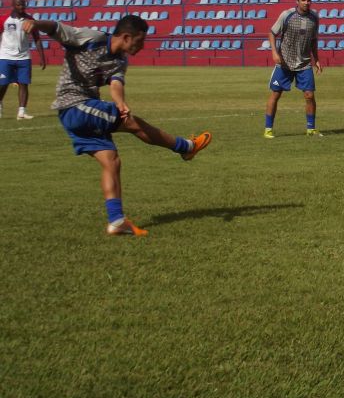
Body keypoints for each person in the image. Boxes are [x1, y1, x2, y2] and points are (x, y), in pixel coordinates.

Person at [23, 14, 211, 237]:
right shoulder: (89, 38)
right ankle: (186, 148)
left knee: (111, 161)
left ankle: (116, 221)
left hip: (84, 110)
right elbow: (56, 27)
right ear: (126, 36)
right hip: (73, 105)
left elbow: (115, 84)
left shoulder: (120, 61)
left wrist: (121, 102)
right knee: (131, 123)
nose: (141, 47)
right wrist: (36, 24)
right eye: (139, 42)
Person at [264, 0, 323, 138]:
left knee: (309, 95)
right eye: (303, 0)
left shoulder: (315, 17)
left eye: (309, 0)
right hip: (285, 62)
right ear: (297, 1)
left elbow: (314, 40)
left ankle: (311, 129)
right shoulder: (287, 15)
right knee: (276, 94)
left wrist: (317, 59)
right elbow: (271, 33)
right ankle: (268, 129)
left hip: (304, 63)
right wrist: (274, 53)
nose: (306, 3)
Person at [0, 0, 46, 120]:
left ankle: (21, 112)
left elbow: (37, 38)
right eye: (19, 4)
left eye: (23, 4)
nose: (22, 6)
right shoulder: (4, 19)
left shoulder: (30, 20)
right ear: (13, 5)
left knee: (23, 84)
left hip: (24, 57)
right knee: (2, 84)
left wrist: (42, 57)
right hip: (5, 56)